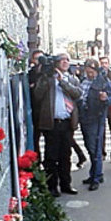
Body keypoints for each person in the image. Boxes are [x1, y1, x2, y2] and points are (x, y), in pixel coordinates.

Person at [34, 53, 82, 197]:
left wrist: (63, 82)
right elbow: (37, 95)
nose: (66, 62)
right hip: (52, 123)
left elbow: (77, 94)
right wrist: (47, 78)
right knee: (51, 157)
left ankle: (66, 184)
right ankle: (52, 186)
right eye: (62, 60)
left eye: (67, 60)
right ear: (56, 63)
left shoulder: (71, 78)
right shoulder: (47, 78)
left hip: (67, 122)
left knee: (65, 156)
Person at [77, 59, 111, 191]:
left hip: (96, 118)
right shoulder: (84, 80)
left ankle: (96, 177)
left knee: (95, 149)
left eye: (92, 72)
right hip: (85, 117)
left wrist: (105, 98)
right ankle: (95, 174)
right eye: (88, 71)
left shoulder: (103, 82)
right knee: (89, 147)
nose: (90, 74)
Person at [28, 49, 44, 162]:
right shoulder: (31, 73)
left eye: (41, 58)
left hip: (47, 109)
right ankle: (37, 161)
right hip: (36, 109)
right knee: (35, 138)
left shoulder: (47, 72)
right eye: (37, 58)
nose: (39, 61)